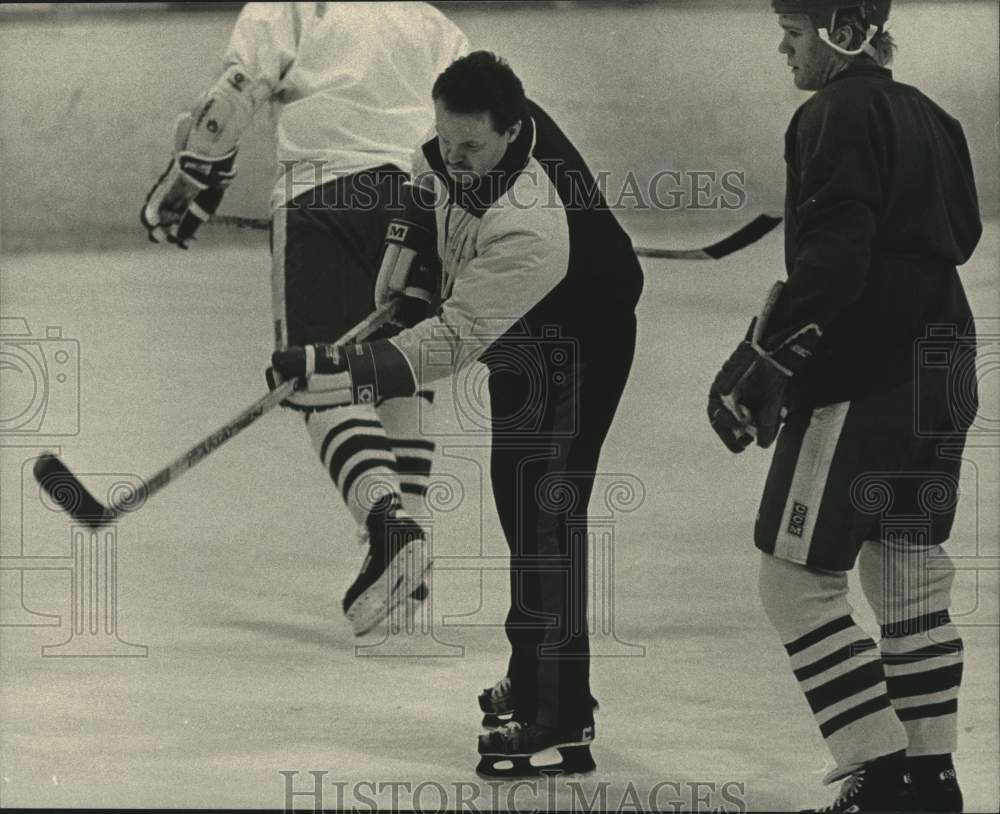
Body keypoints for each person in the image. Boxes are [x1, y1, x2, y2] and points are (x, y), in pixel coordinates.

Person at [269, 50, 643, 777]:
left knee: (546, 512)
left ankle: (560, 713)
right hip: (518, 330)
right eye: (450, 140)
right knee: (517, 502)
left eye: (472, 148)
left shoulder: (534, 222)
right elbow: (422, 170)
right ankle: (537, 674)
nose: (456, 158)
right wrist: (409, 248)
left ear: (512, 132)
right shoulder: (455, 143)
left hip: (578, 341)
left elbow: (450, 342)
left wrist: (337, 367)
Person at [708, 2, 981, 811]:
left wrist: (762, 361)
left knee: (794, 582)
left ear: (839, 34)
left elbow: (835, 259)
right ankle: (931, 780)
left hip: (867, 374)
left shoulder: (830, 110)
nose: (781, 47)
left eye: (792, 33)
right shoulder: (935, 119)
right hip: (945, 360)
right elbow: (959, 234)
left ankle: (881, 768)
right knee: (907, 569)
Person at [141, 2, 468, 636]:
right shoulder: (432, 23)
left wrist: (193, 177)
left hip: (321, 198)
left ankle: (388, 525)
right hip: (419, 201)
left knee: (318, 378)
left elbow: (231, 99)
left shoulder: (290, 5)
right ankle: (414, 541)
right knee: (398, 370)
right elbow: (477, 123)